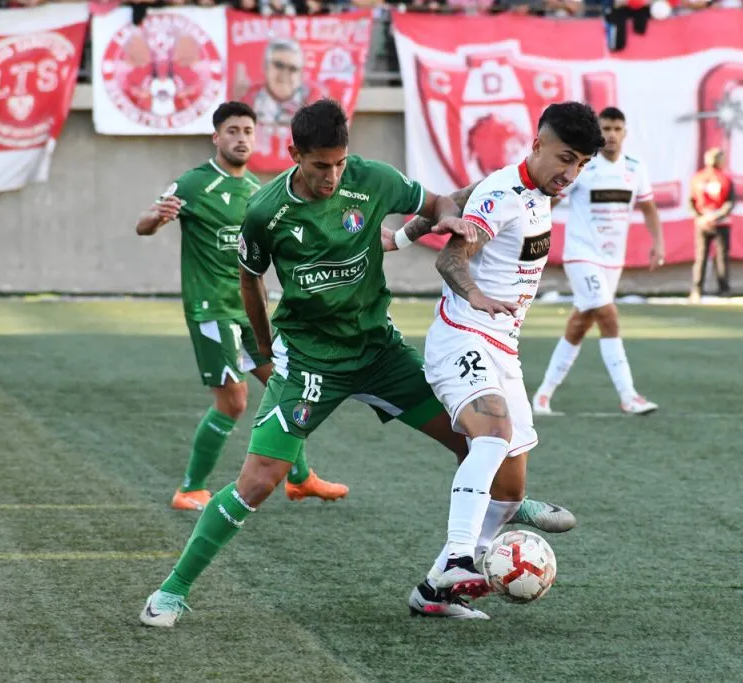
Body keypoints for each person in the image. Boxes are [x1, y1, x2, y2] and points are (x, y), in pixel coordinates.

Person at [139, 99, 574, 627]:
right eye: (321, 165)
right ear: (294, 153)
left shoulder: (371, 178)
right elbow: (250, 280)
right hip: (308, 362)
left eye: (340, 163)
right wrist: (261, 350)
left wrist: (435, 226)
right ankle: (173, 590)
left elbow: (437, 203)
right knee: (258, 481)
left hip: (378, 351)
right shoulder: (266, 212)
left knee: (488, 446)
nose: (333, 175)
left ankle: (452, 572)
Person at [409, 101, 604, 620]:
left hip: (502, 347)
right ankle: (456, 557)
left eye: (581, 164)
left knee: (510, 490)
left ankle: (434, 592)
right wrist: (473, 294)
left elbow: (466, 195)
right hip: (461, 337)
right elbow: (450, 258)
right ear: (537, 142)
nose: (571, 173)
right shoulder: (505, 196)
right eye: (565, 157)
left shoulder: (532, 190)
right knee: (492, 433)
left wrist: (404, 231)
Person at [134, 101, 349, 511]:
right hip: (211, 309)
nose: (241, 138)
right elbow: (143, 224)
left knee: (284, 387)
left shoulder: (256, 191)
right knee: (233, 401)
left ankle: (300, 479)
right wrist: (157, 216)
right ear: (217, 137)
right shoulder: (195, 184)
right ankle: (190, 489)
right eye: (232, 131)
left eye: (247, 131)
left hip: (248, 310)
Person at [531, 107, 665, 417]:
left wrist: (658, 243)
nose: (611, 135)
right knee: (608, 316)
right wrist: (527, 228)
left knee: (580, 324)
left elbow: (648, 208)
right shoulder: (584, 168)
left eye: (617, 129)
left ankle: (542, 397)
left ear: (625, 133)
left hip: (611, 261)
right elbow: (551, 200)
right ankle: (628, 395)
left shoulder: (635, 168)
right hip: (581, 254)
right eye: (606, 128)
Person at [689, 147, 735, 302]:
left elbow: (691, 202)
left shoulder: (698, 178)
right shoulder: (725, 179)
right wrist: (715, 216)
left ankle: (697, 290)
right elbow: (730, 202)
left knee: (702, 257)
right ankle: (722, 290)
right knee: (718, 257)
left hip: (706, 222)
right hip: (719, 222)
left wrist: (702, 217)